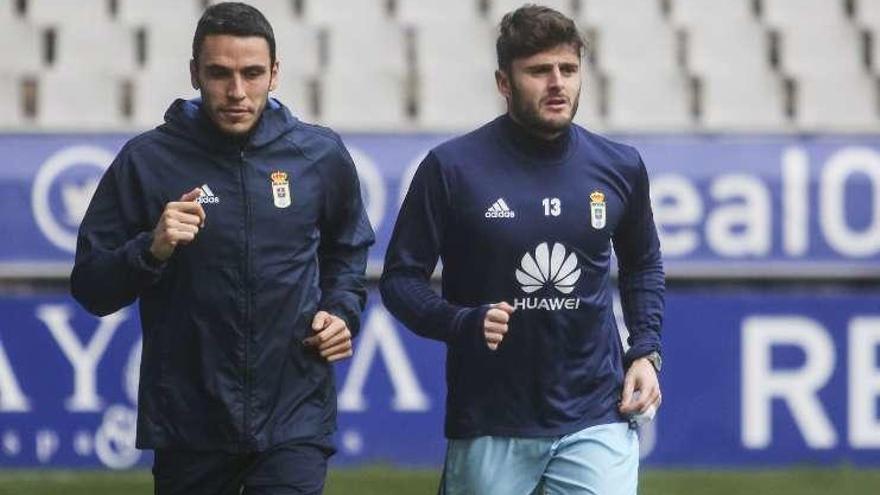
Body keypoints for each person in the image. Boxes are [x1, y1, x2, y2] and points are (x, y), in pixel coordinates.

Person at [70, 3, 374, 494]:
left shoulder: (319, 156)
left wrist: (342, 312)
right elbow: (91, 287)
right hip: (189, 425)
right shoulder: (147, 162)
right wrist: (152, 249)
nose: (237, 92)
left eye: (252, 73)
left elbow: (347, 253)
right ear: (195, 74)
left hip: (293, 420)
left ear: (275, 74)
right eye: (220, 74)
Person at [380, 5, 664, 494]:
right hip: (491, 420)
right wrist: (461, 322)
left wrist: (645, 351)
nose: (557, 83)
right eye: (539, 71)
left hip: (597, 414)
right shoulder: (450, 169)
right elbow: (400, 280)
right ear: (503, 83)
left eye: (568, 69)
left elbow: (642, 264)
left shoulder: (620, 165)